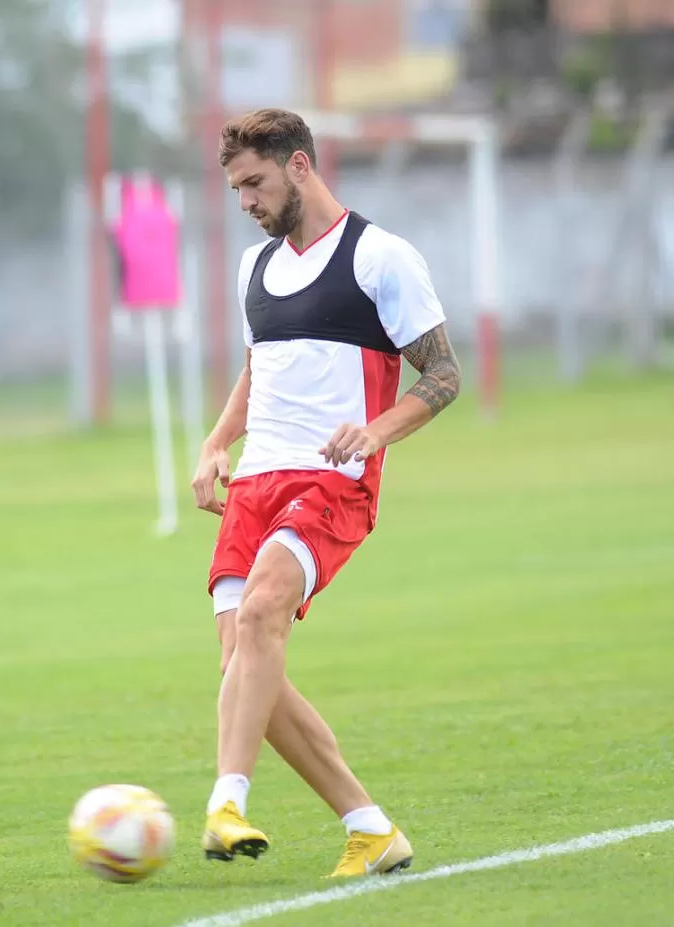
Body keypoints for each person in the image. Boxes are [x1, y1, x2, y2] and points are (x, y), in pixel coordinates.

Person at [191, 107, 461, 878]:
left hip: (333, 480)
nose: (244, 200)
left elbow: (443, 374)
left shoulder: (382, 257)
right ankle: (370, 827)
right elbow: (261, 368)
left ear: (300, 166)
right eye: (235, 186)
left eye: (254, 182)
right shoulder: (255, 267)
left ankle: (226, 801)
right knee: (244, 666)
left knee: (263, 611)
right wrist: (217, 443)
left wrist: (377, 432)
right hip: (255, 485)